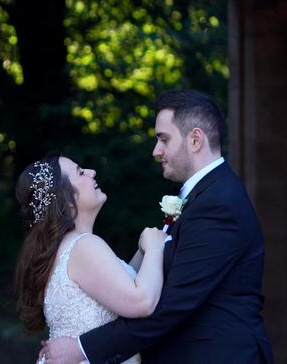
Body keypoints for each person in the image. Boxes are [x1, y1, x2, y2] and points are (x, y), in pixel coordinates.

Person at [40, 89, 273, 364]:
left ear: (195, 139)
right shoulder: (205, 197)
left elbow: (173, 307)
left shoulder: (218, 203)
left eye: (163, 139)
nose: (156, 151)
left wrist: (82, 348)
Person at [14, 152, 170, 364]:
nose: (92, 172)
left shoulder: (64, 247)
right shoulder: (84, 246)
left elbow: (116, 288)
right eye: (80, 172)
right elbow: (142, 302)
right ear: (67, 199)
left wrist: (143, 253)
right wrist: (154, 248)